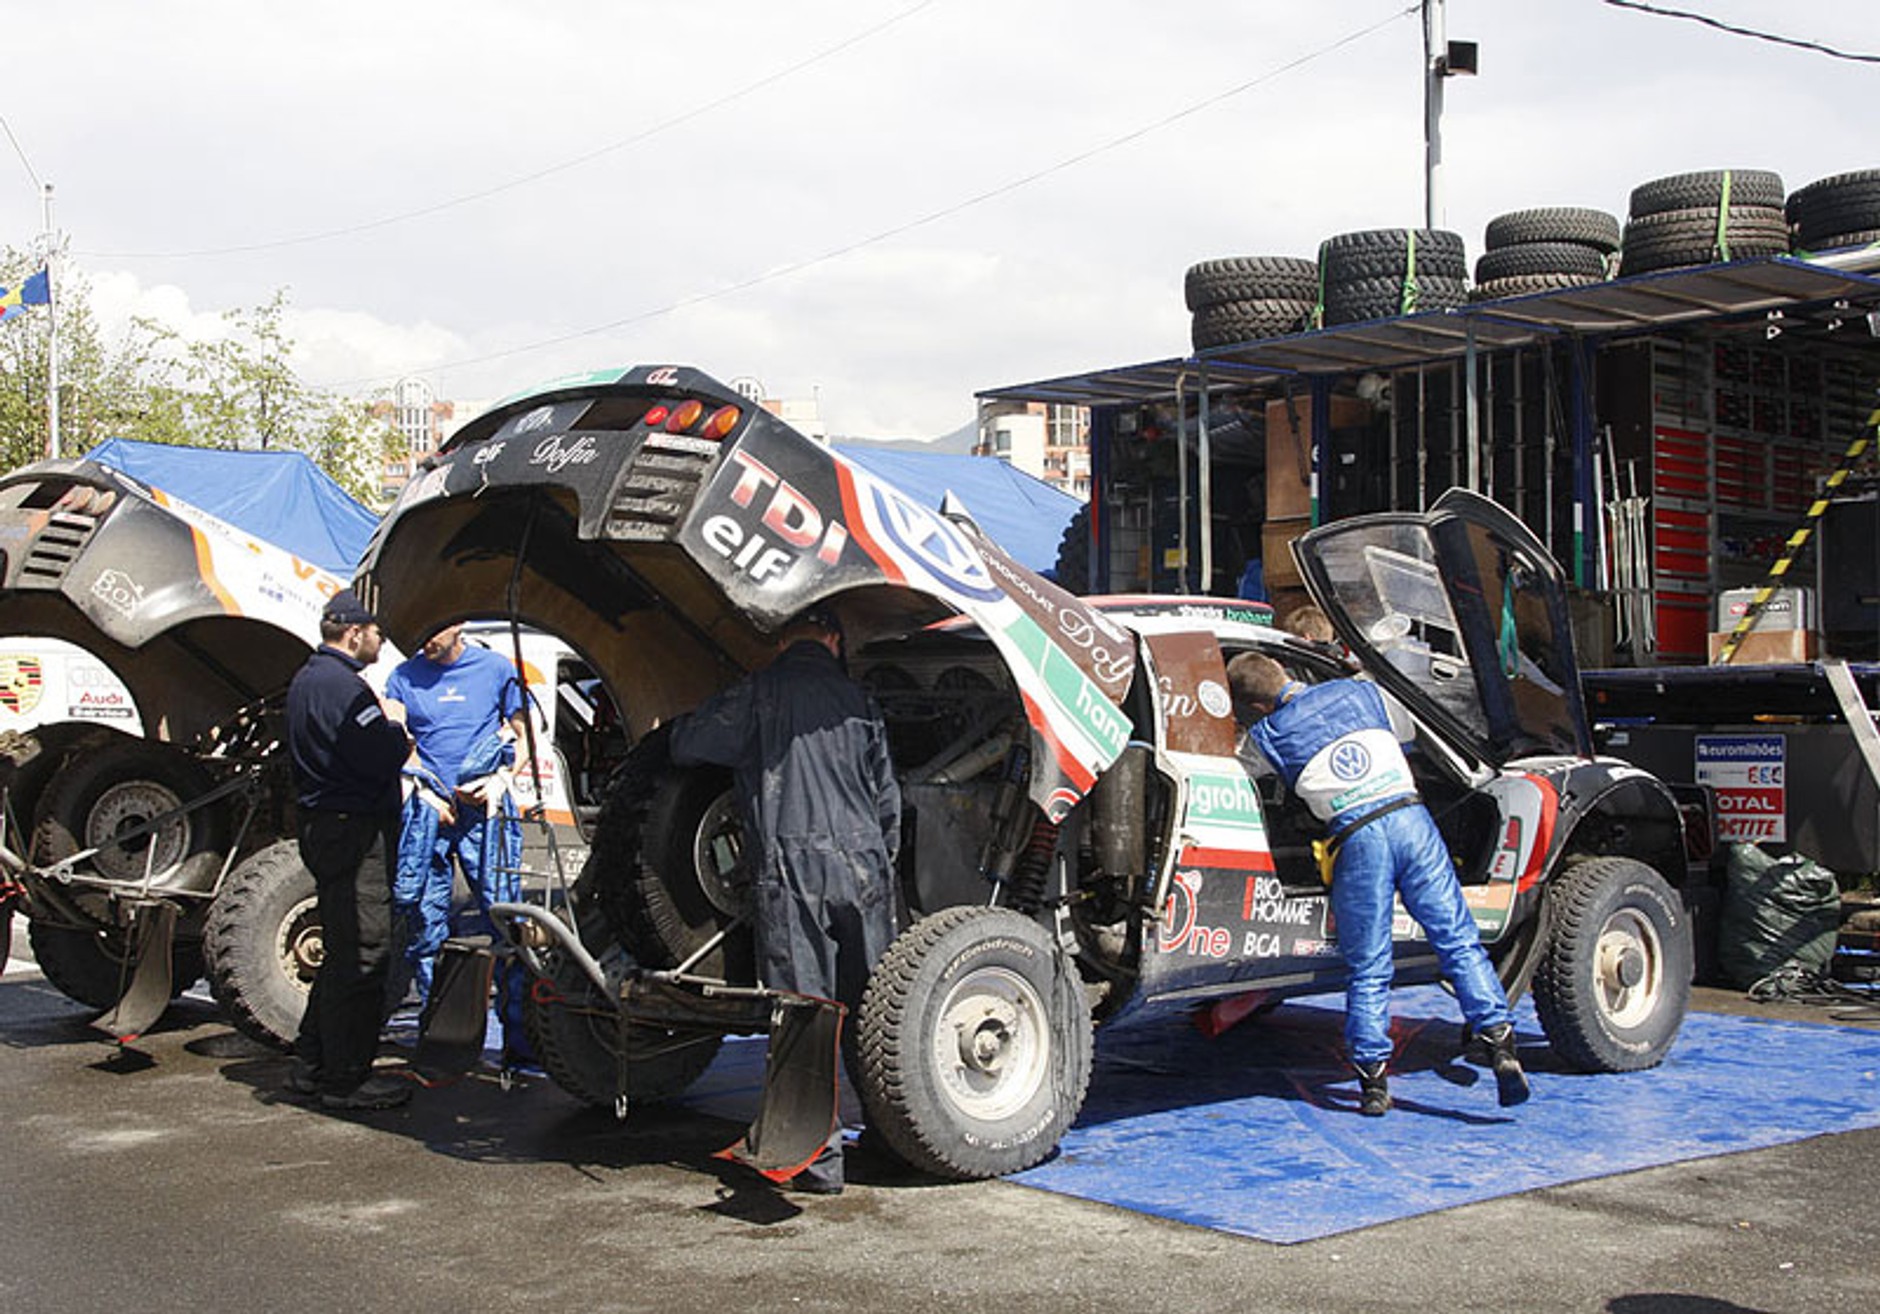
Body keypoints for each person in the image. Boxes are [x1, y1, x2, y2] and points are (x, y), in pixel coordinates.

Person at [1226, 651, 1528, 1117]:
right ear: (1283, 672)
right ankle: (1500, 1043)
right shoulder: (1360, 692)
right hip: (1411, 820)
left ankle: (1372, 1085)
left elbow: (1239, 775)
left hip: (1358, 836)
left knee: (1369, 965)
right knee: (1457, 939)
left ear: (1256, 706)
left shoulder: (1267, 735)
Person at [669, 604, 900, 1195]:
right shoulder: (859, 701)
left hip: (794, 867)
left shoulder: (759, 693)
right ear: (834, 640)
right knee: (873, 1009)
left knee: (803, 1012)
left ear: (781, 641)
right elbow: (888, 801)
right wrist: (879, 863)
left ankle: (819, 1163)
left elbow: (690, 745)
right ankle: (891, 1137)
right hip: (865, 868)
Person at [283, 589, 415, 1110]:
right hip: (354, 831)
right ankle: (346, 1079)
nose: (382, 642)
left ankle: (312, 1061)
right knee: (365, 952)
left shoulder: (307, 680)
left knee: (341, 948)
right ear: (355, 633)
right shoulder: (346, 688)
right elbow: (376, 755)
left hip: (324, 825)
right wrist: (396, 728)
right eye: (378, 633)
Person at [382, 623, 529, 1059]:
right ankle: (440, 1030)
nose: (425, 640)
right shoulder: (403, 677)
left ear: (458, 626)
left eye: (434, 632)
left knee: (504, 918)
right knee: (424, 921)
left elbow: (525, 733)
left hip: (484, 810)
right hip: (431, 810)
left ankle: (520, 1039)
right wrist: (420, 786)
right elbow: (395, 737)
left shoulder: (496, 669)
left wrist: (502, 778)